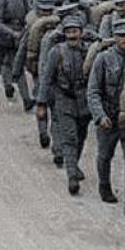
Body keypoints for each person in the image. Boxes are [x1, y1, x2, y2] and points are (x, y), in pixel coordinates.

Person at [86, 19, 125, 217]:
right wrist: (99, 116)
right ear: (114, 37)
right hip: (108, 116)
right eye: (120, 35)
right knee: (104, 156)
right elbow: (93, 91)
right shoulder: (103, 59)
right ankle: (104, 185)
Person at [37, 15, 92, 195]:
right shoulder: (57, 52)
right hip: (64, 99)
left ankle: (74, 164)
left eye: (75, 32)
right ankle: (72, 178)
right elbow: (46, 78)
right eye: (68, 32)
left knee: (82, 135)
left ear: (81, 33)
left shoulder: (90, 51)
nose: (72, 36)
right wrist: (42, 103)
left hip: (83, 102)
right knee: (70, 138)